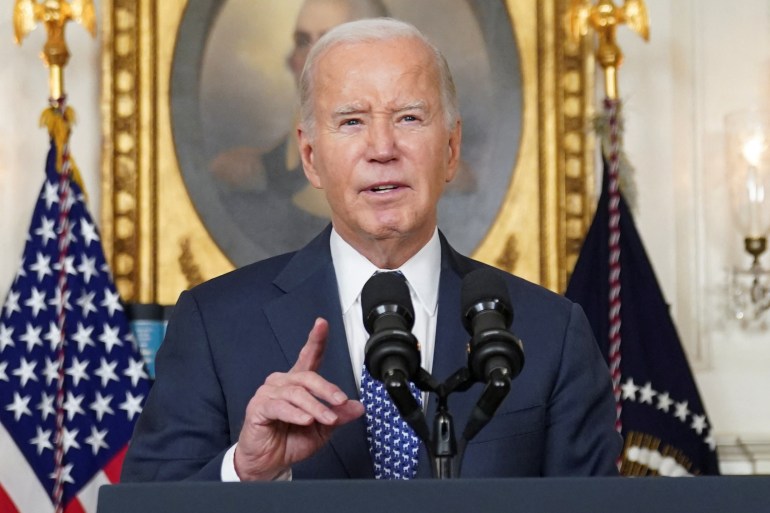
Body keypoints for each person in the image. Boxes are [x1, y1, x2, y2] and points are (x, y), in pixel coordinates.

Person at [122, 18, 621, 482]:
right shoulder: (216, 325)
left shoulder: (553, 333)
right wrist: (243, 470)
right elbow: (145, 506)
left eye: (408, 117)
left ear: (450, 150)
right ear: (311, 158)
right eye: (352, 122)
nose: (382, 148)